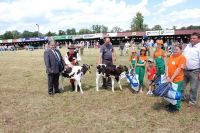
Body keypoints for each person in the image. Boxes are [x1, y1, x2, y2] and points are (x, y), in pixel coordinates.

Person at [166, 44, 186, 112]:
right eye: (174, 49)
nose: (175, 51)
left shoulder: (182, 58)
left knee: (176, 93)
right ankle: (171, 104)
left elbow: (178, 69)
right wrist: (167, 76)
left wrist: (172, 78)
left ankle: (177, 107)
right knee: (171, 92)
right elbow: (167, 66)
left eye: (177, 49)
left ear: (181, 50)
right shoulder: (172, 56)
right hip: (170, 78)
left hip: (177, 79)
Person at [183, 32, 200, 107]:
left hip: (195, 71)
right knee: (181, 85)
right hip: (185, 70)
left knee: (193, 88)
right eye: (191, 38)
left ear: (198, 39)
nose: (192, 39)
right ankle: (181, 97)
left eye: (194, 38)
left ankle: (192, 101)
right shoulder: (188, 46)